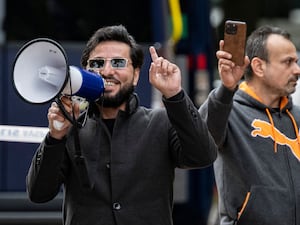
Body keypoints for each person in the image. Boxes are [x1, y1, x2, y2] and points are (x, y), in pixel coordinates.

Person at [26, 25, 217, 225]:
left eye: (118, 63)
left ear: (135, 75)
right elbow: (39, 193)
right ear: (85, 72)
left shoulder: (161, 123)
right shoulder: (71, 129)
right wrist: (55, 138)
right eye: (97, 63)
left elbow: (203, 155)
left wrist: (175, 96)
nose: (107, 71)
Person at [199, 24, 300, 225]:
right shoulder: (229, 109)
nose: (297, 70)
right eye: (287, 62)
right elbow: (201, 144)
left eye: (296, 61)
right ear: (259, 66)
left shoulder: (296, 116)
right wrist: (226, 90)